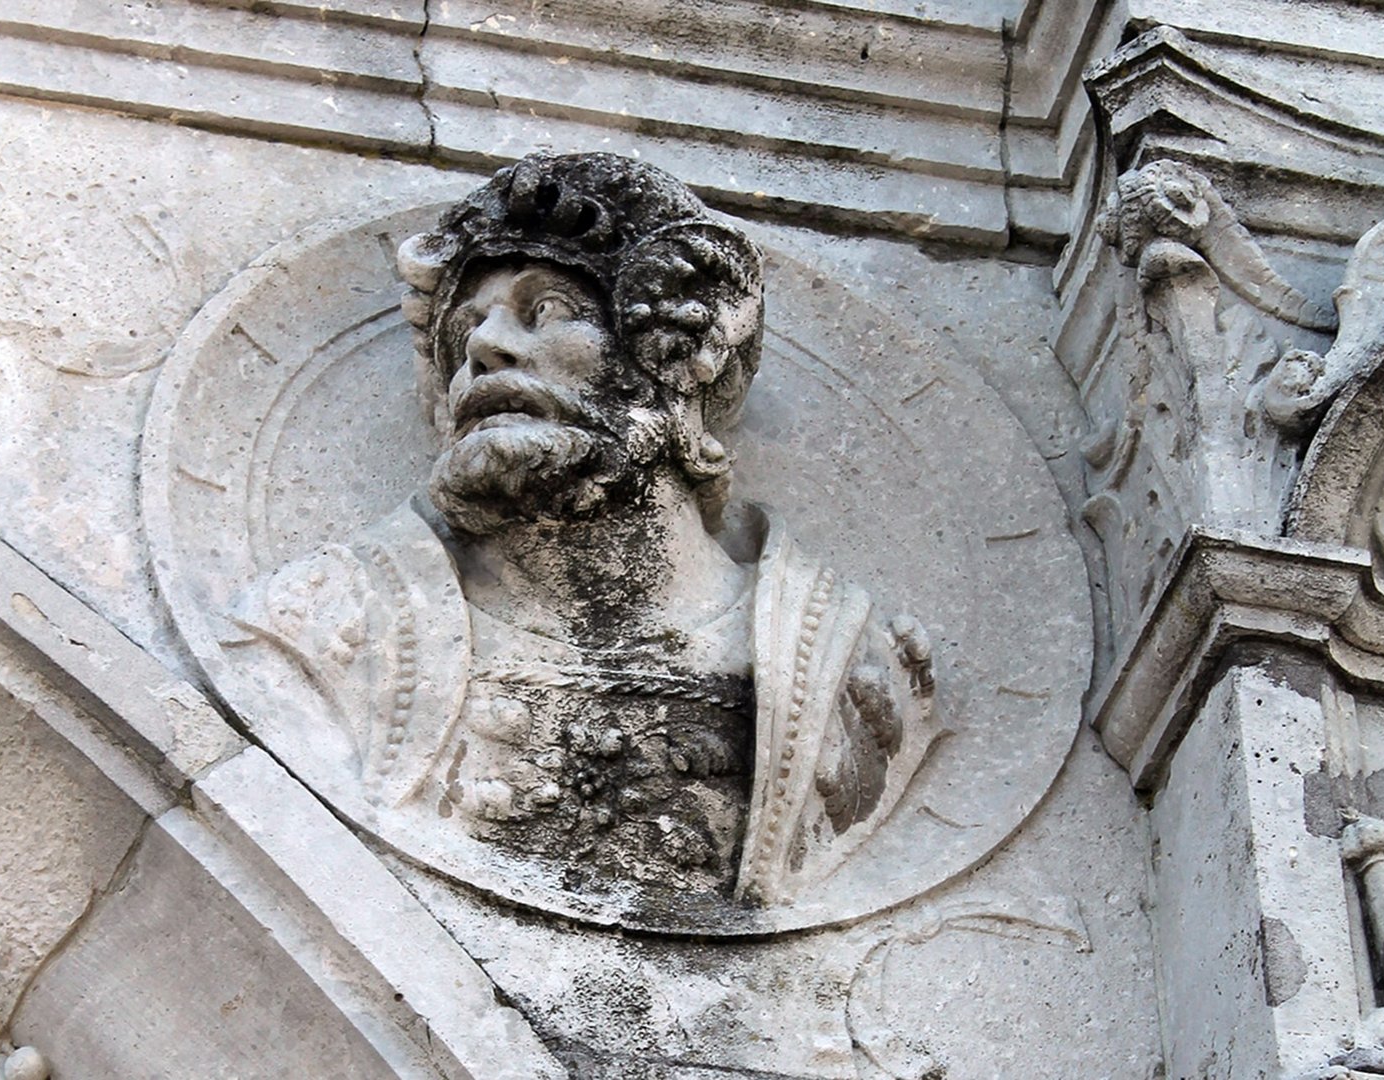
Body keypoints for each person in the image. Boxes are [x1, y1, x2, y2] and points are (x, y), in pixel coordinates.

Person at [234, 153, 937, 907]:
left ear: (673, 356)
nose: (484, 347)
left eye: (549, 311)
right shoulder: (329, 627)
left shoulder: (854, 665)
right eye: (466, 327)